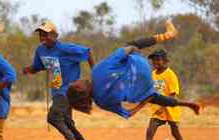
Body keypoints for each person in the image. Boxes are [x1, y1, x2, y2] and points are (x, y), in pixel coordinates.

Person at [67, 20, 200, 120]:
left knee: (156, 98)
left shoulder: (101, 102)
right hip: (141, 66)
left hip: (144, 88)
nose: (79, 80)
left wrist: (145, 101)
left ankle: (189, 104)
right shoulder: (96, 71)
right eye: (78, 83)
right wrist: (134, 49)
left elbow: (128, 113)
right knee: (129, 45)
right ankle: (168, 35)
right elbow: (125, 51)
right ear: (81, 88)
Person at [23, 20, 95, 140]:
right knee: (68, 125)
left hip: (70, 91)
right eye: (41, 34)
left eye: (46, 34)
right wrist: (30, 69)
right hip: (57, 92)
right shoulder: (40, 50)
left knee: (53, 117)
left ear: (55, 35)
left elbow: (88, 52)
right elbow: (39, 66)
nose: (43, 37)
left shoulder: (66, 49)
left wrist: (94, 74)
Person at [132, 49, 189, 140]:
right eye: (153, 60)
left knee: (175, 133)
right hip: (157, 111)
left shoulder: (170, 74)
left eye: (158, 59)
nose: (155, 62)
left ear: (165, 61)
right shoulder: (152, 74)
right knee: (150, 131)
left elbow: (173, 95)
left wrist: (163, 107)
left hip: (170, 109)